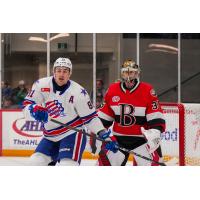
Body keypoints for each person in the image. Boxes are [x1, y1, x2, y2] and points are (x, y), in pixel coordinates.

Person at [23, 57, 118, 166]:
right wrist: (33, 110)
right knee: (34, 163)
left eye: (65, 71)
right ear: (54, 72)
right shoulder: (41, 85)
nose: (61, 74)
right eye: (58, 70)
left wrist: (104, 134)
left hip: (72, 134)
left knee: (67, 165)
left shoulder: (79, 92)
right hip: (49, 136)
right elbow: (27, 106)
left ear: (70, 73)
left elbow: (90, 118)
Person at [94, 59, 166, 166]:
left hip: (141, 140)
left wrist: (155, 132)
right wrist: (103, 134)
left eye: (131, 72)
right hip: (118, 140)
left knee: (153, 167)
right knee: (103, 165)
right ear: (122, 73)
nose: (128, 75)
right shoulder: (113, 90)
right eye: (126, 72)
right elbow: (103, 119)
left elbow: (156, 118)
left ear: (136, 73)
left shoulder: (147, 90)